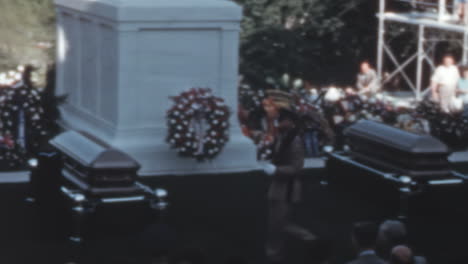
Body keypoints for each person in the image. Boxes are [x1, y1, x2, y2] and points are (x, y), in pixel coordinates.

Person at [260, 90, 316, 264]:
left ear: (289, 121)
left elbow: (297, 167)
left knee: (279, 226)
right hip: (278, 188)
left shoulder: (294, 140)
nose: (278, 122)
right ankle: (275, 255)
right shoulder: (283, 136)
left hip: (287, 189)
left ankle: (309, 240)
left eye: (281, 119)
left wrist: (276, 170)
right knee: (275, 226)